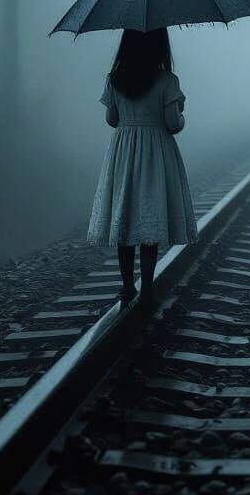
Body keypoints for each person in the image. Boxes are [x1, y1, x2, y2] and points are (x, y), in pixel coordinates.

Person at [86, 27, 198, 304]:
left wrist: (129, 119)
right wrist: (180, 117)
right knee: (150, 211)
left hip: (123, 151)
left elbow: (112, 119)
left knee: (125, 214)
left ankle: (127, 286)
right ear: (160, 46)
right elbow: (173, 124)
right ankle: (147, 286)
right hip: (155, 151)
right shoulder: (167, 80)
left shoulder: (116, 79)